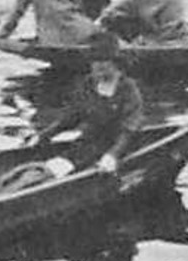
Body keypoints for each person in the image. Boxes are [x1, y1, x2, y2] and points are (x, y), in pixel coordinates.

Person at [23, 32, 143, 177]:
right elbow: (72, 117)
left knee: (71, 170)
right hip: (88, 146)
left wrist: (112, 155)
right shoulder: (87, 85)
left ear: (114, 63)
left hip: (120, 147)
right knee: (48, 170)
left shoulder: (128, 89)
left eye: (103, 61)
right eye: (94, 61)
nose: (98, 66)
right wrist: (44, 135)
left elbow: (129, 128)